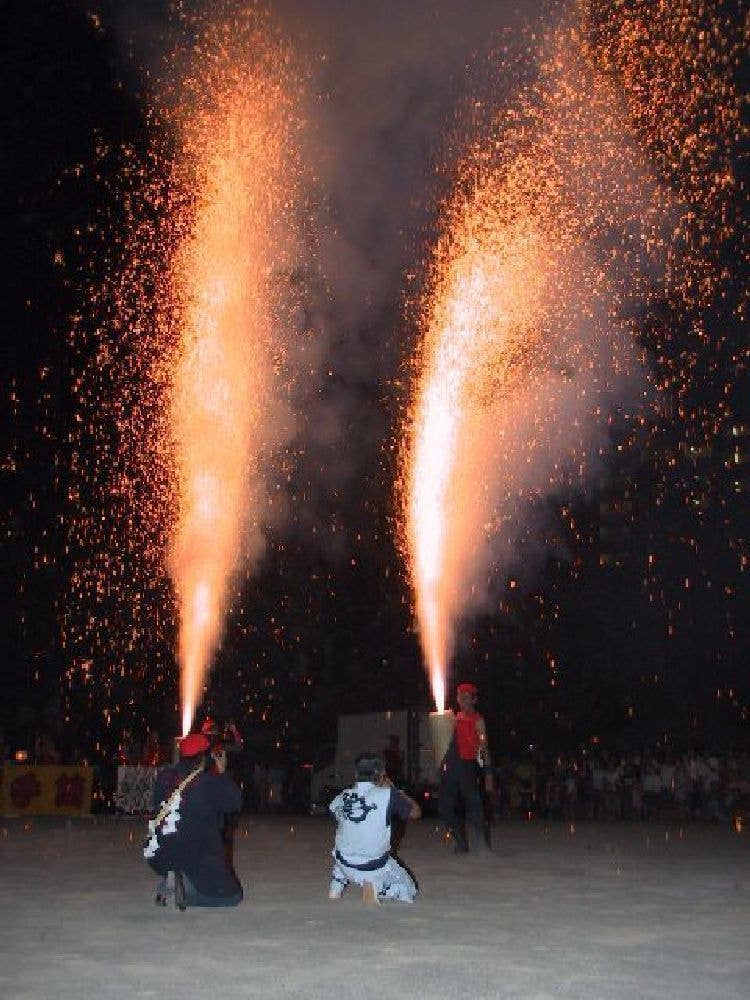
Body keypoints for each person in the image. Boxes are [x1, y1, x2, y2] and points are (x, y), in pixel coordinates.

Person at [144, 732, 243, 909]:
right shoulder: (208, 782)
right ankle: (183, 891)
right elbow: (235, 802)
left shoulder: (164, 777)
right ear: (205, 756)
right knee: (232, 896)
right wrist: (221, 773)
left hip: (159, 854)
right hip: (193, 852)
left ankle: (171, 878)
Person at [328, 752, 421, 904]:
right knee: (409, 890)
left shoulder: (344, 795)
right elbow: (416, 813)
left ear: (356, 774)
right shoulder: (388, 795)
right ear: (382, 774)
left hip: (343, 861)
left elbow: (334, 812)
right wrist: (398, 792)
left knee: (346, 846)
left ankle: (336, 887)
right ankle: (377, 887)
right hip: (373, 865)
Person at [438, 681, 493, 853]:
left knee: (474, 805)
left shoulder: (478, 721)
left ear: (473, 700)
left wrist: (488, 771)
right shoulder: (454, 719)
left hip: (467, 766)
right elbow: (444, 743)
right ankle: (461, 841)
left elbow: (483, 746)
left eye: (466, 696)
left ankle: (483, 844)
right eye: (460, 696)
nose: (462, 699)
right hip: (452, 766)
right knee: (445, 808)